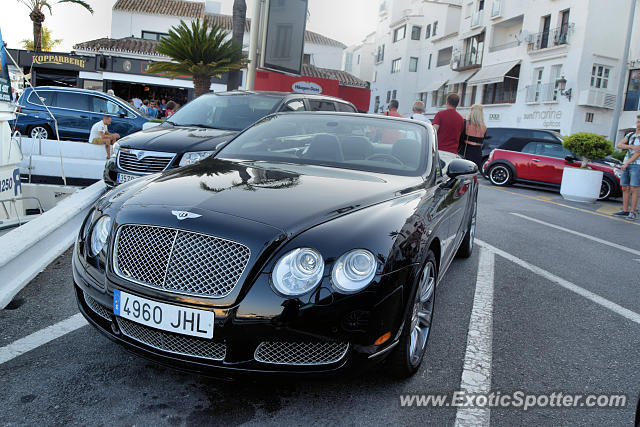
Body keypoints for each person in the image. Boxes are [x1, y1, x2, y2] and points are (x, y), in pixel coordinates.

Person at [614, 115, 640, 220]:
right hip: (626, 163)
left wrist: (626, 164)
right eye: (638, 122)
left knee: (634, 188)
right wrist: (631, 146)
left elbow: (638, 153)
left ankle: (632, 212)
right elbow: (619, 145)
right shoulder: (630, 135)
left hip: (637, 165)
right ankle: (625, 210)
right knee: (625, 187)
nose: (639, 124)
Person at [459, 104, 487, 171]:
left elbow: (460, 139)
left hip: (466, 151)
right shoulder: (484, 127)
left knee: (463, 171)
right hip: (477, 152)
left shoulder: (466, 124)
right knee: (474, 172)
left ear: (472, 112)